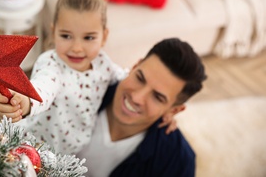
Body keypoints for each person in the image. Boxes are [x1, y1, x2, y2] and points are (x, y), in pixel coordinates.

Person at [0, 0, 128, 154]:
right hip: (36, 149)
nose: (77, 48)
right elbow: (43, 88)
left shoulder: (103, 64)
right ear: (54, 31)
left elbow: (125, 78)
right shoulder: (51, 64)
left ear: (104, 37)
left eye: (88, 37)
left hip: (73, 153)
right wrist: (25, 101)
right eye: (66, 36)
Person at [76, 37, 207, 176]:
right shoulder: (82, 88)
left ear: (173, 111)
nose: (137, 98)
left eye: (157, 97)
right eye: (140, 78)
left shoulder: (177, 163)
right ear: (134, 66)